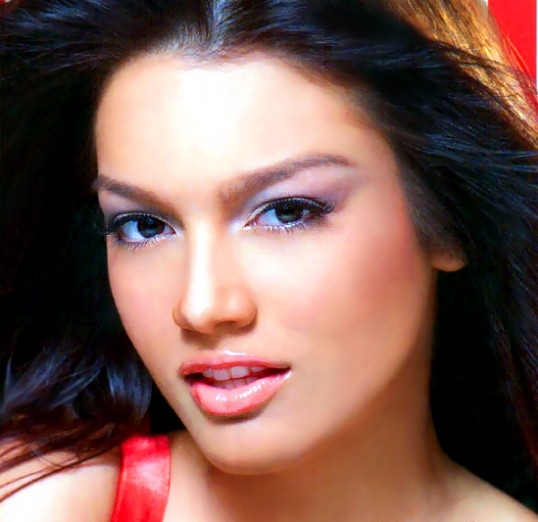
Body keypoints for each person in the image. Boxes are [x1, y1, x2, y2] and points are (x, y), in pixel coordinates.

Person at [0, 0, 537, 520]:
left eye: (286, 212)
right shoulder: (46, 502)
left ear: (449, 219)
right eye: (144, 226)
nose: (202, 307)